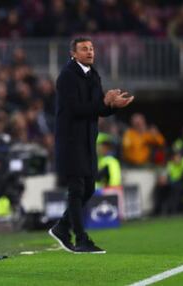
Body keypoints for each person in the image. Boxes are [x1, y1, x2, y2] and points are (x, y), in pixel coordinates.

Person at [50, 37, 133, 254]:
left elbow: (96, 108)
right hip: (70, 140)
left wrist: (113, 107)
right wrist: (103, 103)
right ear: (73, 54)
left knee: (89, 188)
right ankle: (81, 239)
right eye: (84, 49)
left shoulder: (93, 75)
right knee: (77, 188)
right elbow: (76, 109)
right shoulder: (67, 77)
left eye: (92, 48)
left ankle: (62, 227)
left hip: (88, 140)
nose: (90, 52)